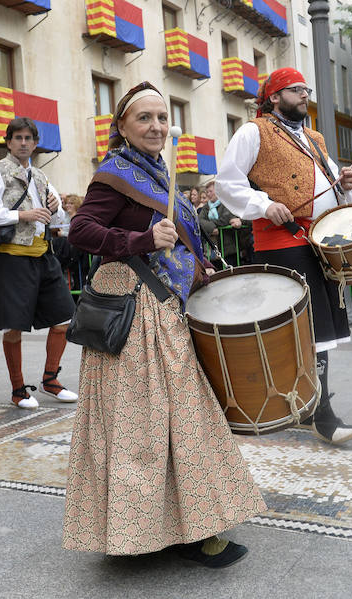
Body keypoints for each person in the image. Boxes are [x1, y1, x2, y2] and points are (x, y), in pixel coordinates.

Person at [64, 81, 266, 567]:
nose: (156, 126)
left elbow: (178, 238)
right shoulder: (114, 173)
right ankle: (169, 532)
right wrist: (140, 238)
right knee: (153, 424)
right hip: (138, 314)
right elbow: (80, 231)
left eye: (161, 118)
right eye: (144, 118)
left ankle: (181, 527)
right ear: (122, 127)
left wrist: (201, 265)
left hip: (166, 306)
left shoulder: (157, 171)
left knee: (175, 421)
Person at [215, 67, 352, 445]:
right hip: (284, 242)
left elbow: (329, 185)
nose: (304, 95)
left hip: (319, 241)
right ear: (275, 96)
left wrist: (345, 185)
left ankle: (310, 406)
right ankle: (320, 413)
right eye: (297, 90)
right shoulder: (254, 130)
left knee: (322, 328)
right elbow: (227, 182)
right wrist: (264, 205)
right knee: (305, 329)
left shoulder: (314, 137)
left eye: (306, 89)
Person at [0, 117, 78, 408]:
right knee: (14, 326)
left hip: (44, 255)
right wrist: (22, 215)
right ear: (8, 142)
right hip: (14, 257)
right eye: (17, 138)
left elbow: (57, 221)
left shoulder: (42, 177)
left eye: (28, 138)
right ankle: (18, 389)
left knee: (64, 319)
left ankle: (50, 380)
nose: (23, 143)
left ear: (34, 143)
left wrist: (56, 210)